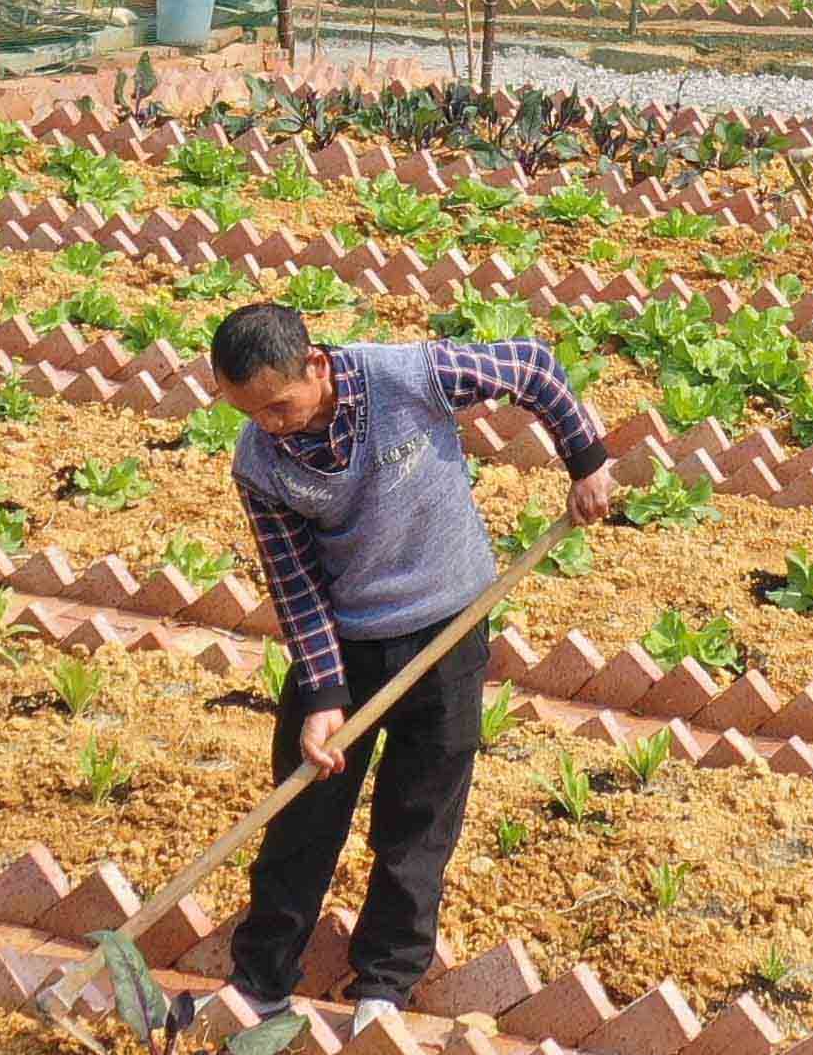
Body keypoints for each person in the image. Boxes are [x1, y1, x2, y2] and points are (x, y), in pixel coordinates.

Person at [205, 300, 618, 1016]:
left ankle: (384, 983)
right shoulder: (260, 461)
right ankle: (260, 981)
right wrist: (323, 692)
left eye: (279, 404)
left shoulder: (406, 376)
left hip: (448, 625)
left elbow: (530, 366)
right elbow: (294, 582)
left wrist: (584, 460)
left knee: (418, 813)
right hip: (344, 634)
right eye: (251, 413)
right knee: (303, 810)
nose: (270, 423)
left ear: (315, 363)